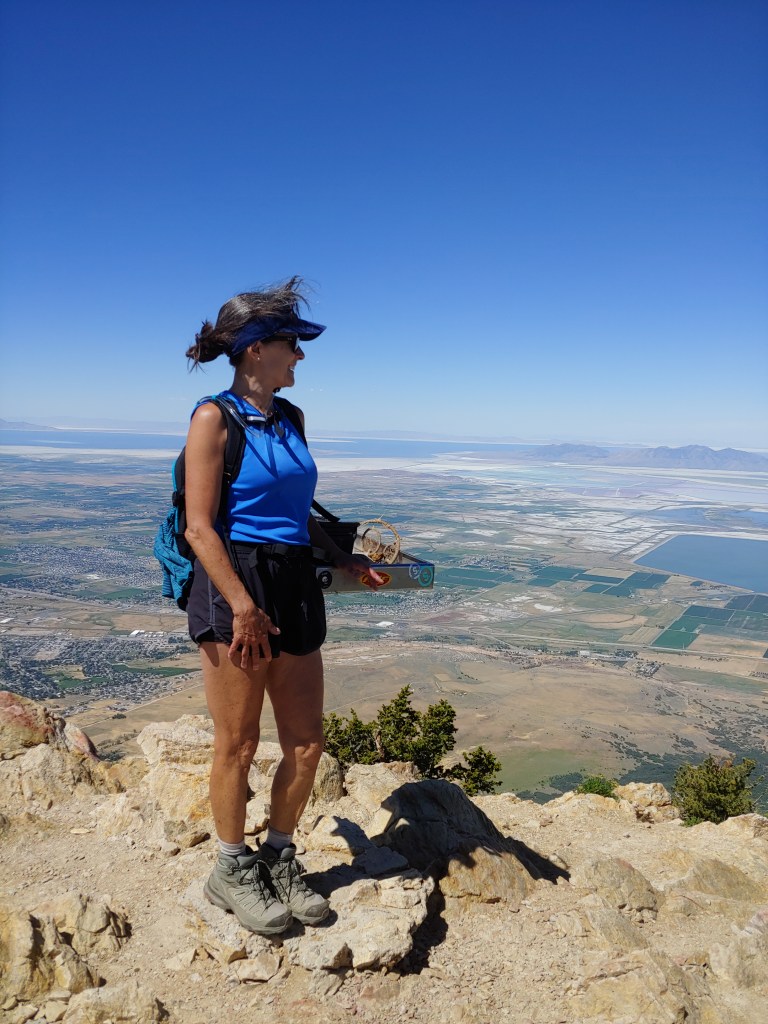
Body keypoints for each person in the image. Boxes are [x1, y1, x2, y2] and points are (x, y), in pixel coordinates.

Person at [182, 277, 382, 934]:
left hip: (294, 580)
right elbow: (200, 528)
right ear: (255, 349)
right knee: (238, 743)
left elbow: (298, 512)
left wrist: (341, 556)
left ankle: (279, 855)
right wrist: (242, 606)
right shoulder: (213, 419)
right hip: (235, 583)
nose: (300, 356)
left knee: (307, 740)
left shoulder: (291, 418)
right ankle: (230, 868)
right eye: (291, 344)